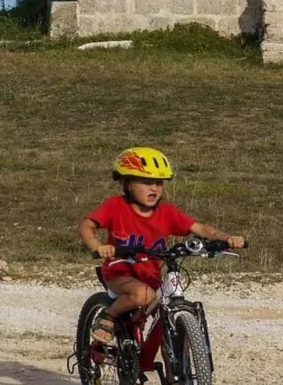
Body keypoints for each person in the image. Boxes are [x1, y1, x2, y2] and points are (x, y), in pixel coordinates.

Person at [78, 146, 245, 345]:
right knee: (143, 295)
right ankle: (108, 315)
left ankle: (174, 361)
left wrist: (226, 239)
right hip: (119, 272)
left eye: (158, 183)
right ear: (128, 184)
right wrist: (98, 246)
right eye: (146, 182)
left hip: (151, 277)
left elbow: (200, 228)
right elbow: (87, 226)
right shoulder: (116, 206)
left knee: (166, 319)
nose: (154, 188)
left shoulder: (166, 211)